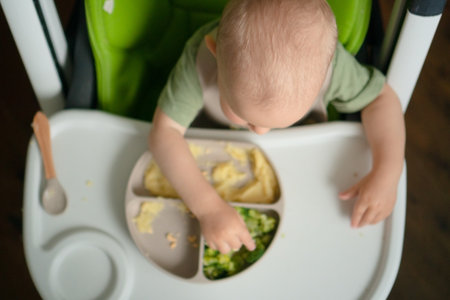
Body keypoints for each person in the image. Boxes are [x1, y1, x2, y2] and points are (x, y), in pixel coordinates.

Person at [148, 0, 405, 254]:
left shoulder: (333, 68)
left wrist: (387, 172)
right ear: (214, 52)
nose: (259, 131)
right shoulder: (199, 62)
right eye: (244, 115)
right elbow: (164, 134)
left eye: (283, 120)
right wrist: (207, 207)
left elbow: (381, 99)